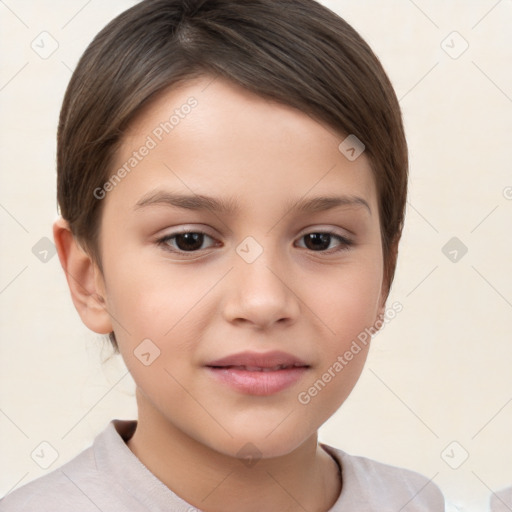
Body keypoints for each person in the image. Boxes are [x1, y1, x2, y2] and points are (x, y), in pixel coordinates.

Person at [0, 0, 445, 510]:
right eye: (188, 240)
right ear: (88, 278)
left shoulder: (418, 501)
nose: (261, 302)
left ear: (385, 273)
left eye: (320, 240)